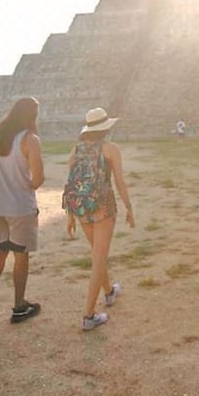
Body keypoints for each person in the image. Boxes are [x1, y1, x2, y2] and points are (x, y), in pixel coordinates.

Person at [0, 97, 44, 331]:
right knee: (21, 255)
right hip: (20, 206)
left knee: (0, 250)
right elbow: (37, 179)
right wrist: (22, 184)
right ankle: (19, 305)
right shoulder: (29, 140)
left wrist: (2, 182)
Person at [66, 107, 135, 330]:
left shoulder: (75, 151)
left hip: (81, 208)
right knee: (98, 259)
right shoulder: (110, 149)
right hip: (103, 207)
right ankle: (88, 315)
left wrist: (70, 216)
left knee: (98, 254)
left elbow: (70, 184)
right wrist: (129, 208)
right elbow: (119, 182)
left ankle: (109, 292)